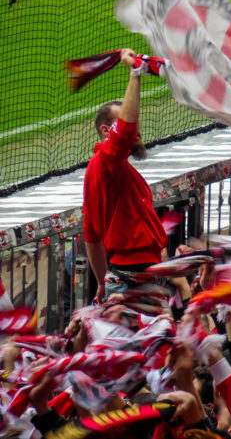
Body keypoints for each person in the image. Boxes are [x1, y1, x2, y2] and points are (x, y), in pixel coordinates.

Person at [82, 48, 167, 302]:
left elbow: (92, 236)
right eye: (125, 122)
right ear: (107, 131)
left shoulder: (108, 170)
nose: (136, 129)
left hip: (130, 276)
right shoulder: (107, 163)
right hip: (135, 279)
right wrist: (135, 73)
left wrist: (101, 281)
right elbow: (126, 133)